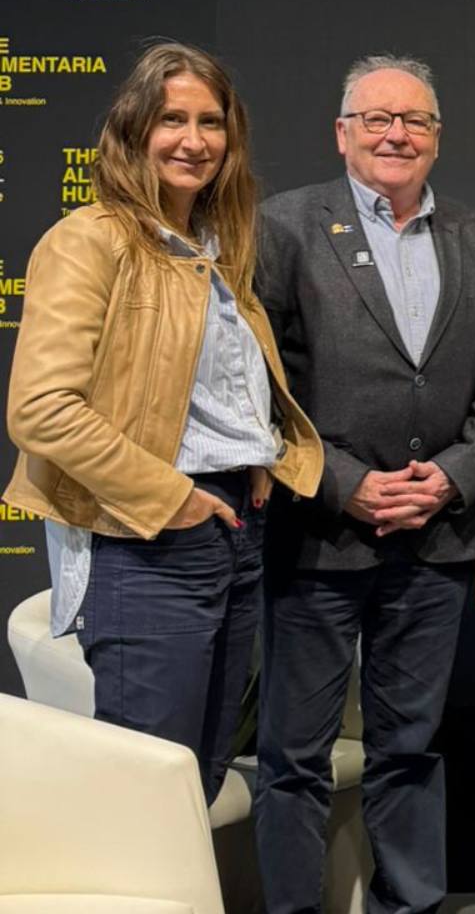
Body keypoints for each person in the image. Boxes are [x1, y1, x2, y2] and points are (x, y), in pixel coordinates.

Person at [4, 41, 323, 805]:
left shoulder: (217, 251)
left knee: (198, 784)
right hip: (144, 542)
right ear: (133, 130)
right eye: (172, 119)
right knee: (145, 794)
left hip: (231, 531)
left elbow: (211, 390)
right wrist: (170, 496)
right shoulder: (91, 239)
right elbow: (41, 409)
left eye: (211, 121)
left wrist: (255, 459)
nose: (194, 139)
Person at [252, 54, 475, 914]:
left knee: (411, 747)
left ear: (438, 138)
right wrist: (346, 484)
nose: (396, 133)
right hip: (318, 536)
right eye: (376, 119)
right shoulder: (283, 227)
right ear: (342, 133)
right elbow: (255, 388)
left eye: (414, 121)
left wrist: (449, 479)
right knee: (295, 756)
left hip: (436, 543)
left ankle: (411, 906)